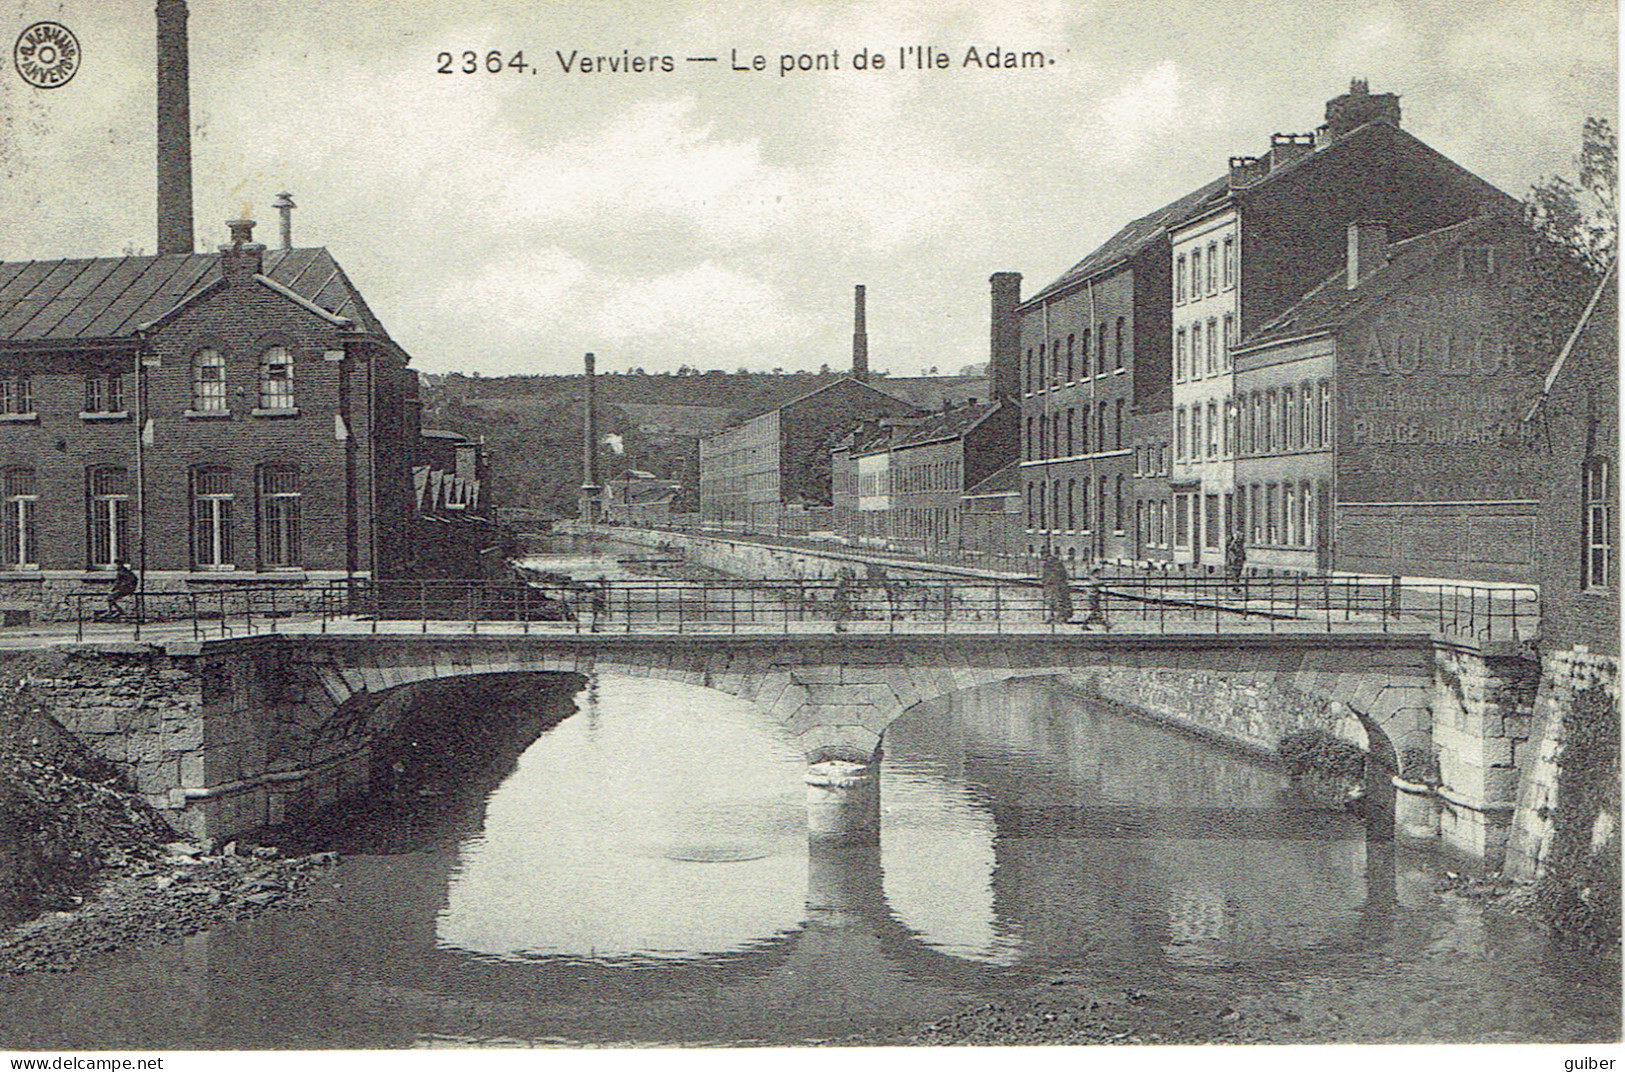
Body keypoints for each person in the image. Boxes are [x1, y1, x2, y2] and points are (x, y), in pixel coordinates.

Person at [1040, 552, 1073, 624]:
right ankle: (1054, 618)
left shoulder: (1051, 567)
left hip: (1055, 587)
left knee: (1057, 602)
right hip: (1053, 587)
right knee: (1054, 602)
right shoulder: (1050, 567)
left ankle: (1058, 618)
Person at [1079, 564, 1111, 631]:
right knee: (1093, 611)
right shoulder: (1092, 578)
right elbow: (1097, 583)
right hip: (1092, 596)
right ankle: (1104, 624)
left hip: (1094, 596)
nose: (1099, 574)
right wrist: (1105, 582)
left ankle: (1105, 624)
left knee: (1096, 611)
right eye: (1098, 573)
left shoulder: (1092, 578)